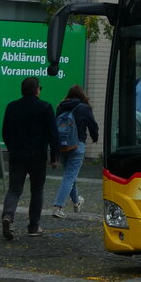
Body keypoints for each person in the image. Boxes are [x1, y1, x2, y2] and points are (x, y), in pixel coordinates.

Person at [0, 77, 58, 239]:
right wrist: (54, 156)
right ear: (37, 90)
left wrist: (12, 149)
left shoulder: (12, 107)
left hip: (17, 155)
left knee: (14, 189)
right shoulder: (45, 107)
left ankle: (8, 215)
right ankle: (33, 226)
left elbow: (6, 132)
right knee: (37, 190)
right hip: (38, 156)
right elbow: (53, 134)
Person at [50, 85, 99, 218]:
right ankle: (58, 207)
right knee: (69, 176)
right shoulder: (84, 108)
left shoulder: (60, 107)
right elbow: (92, 125)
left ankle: (76, 202)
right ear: (82, 95)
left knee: (70, 175)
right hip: (77, 145)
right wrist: (95, 138)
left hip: (63, 146)